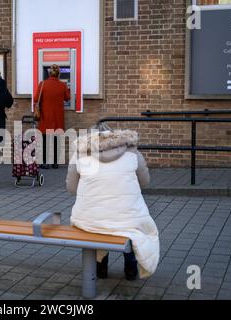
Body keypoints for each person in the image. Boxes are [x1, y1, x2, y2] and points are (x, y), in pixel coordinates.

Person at [66, 124, 159, 280]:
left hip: (88, 220)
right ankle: (130, 267)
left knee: (97, 224)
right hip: (127, 219)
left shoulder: (80, 153)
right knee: (131, 227)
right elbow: (145, 181)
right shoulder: (131, 151)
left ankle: (100, 268)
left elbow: (71, 188)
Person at [33, 64, 70, 169]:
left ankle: (45, 162)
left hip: (46, 116)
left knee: (45, 139)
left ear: (49, 73)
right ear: (59, 74)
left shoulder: (43, 84)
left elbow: (36, 99)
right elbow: (68, 98)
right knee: (57, 139)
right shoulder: (63, 85)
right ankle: (55, 163)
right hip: (58, 116)